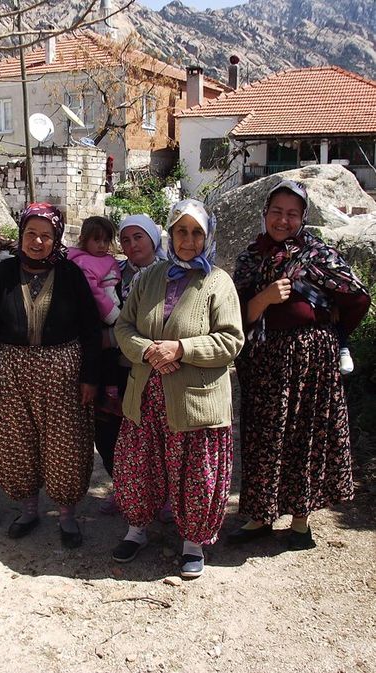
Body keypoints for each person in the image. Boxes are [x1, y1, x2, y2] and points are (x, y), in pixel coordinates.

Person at [231, 179, 370, 550]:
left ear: (303, 218)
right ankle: (260, 516)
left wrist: (334, 330)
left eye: (292, 214)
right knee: (263, 437)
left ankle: (300, 521)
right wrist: (264, 297)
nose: (283, 220)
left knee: (304, 437)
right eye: (276, 211)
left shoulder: (320, 255)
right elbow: (233, 315)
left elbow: (357, 296)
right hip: (263, 360)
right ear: (264, 214)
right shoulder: (250, 259)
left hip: (312, 361)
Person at [111, 199, 244, 578]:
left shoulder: (218, 282)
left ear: (207, 236)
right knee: (139, 466)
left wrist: (182, 349)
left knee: (194, 472)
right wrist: (149, 351)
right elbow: (124, 327)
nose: (188, 240)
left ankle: (193, 542)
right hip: (147, 396)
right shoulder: (150, 277)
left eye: (196, 232)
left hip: (195, 402)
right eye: (181, 231)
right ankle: (137, 529)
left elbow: (231, 341)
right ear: (170, 235)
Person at [0, 202, 102, 547]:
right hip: (12, 371)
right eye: (31, 233)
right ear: (21, 235)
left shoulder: (71, 275)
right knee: (17, 443)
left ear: (56, 237)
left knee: (67, 445)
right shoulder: (2, 275)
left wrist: (90, 377)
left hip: (64, 372)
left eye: (46, 235)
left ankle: (66, 516)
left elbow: (91, 328)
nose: (38, 241)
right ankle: (28, 510)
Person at [94, 213, 167, 514]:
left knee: (155, 435)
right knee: (111, 433)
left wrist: (112, 337)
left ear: (153, 238)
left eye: (139, 237)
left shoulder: (170, 276)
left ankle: (161, 496)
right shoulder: (114, 273)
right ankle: (123, 488)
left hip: (154, 368)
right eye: (125, 239)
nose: (132, 244)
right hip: (115, 370)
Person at [68, 216, 122, 414]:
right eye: (96, 240)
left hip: (101, 320)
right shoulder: (85, 263)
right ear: (84, 240)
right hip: (97, 320)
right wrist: (114, 315)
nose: (101, 245)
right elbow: (95, 292)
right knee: (104, 357)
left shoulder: (98, 260)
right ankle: (109, 396)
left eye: (106, 241)